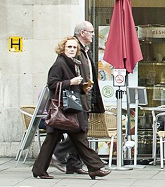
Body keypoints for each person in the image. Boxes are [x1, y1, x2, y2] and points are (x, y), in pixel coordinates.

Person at [32, 37, 110, 180]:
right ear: (63, 49)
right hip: (64, 110)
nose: (72, 50)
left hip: (68, 109)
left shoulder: (72, 63)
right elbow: (52, 84)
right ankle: (95, 167)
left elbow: (69, 86)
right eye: (69, 47)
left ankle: (39, 169)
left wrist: (82, 87)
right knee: (78, 137)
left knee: (56, 141)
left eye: (74, 47)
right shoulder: (60, 63)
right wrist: (71, 82)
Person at [52, 21, 105, 175]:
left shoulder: (85, 51)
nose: (93, 35)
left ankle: (73, 163)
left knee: (80, 130)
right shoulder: (75, 50)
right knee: (81, 130)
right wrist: (77, 86)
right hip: (77, 97)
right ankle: (58, 154)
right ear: (82, 33)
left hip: (84, 95)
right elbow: (66, 73)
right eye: (91, 32)